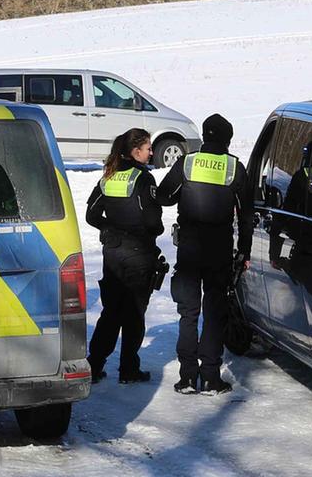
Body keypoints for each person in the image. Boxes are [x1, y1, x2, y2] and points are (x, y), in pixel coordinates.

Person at [156, 113, 254, 395]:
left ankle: (187, 377)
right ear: (227, 140)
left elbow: (164, 197)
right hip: (219, 248)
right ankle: (211, 376)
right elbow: (246, 215)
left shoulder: (187, 162)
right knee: (214, 313)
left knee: (188, 312)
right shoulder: (235, 168)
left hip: (189, 248)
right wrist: (243, 250)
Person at [85, 129, 165, 383]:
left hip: (113, 255)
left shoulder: (108, 177)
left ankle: (94, 365)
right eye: (148, 148)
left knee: (111, 312)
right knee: (133, 314)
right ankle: (129, 370)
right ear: (135, 151)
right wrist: (154, 230)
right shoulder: (143, 179)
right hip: (138, 254)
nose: (151, 152)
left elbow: (91, 215)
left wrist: (109, 229)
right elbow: (153, 221)